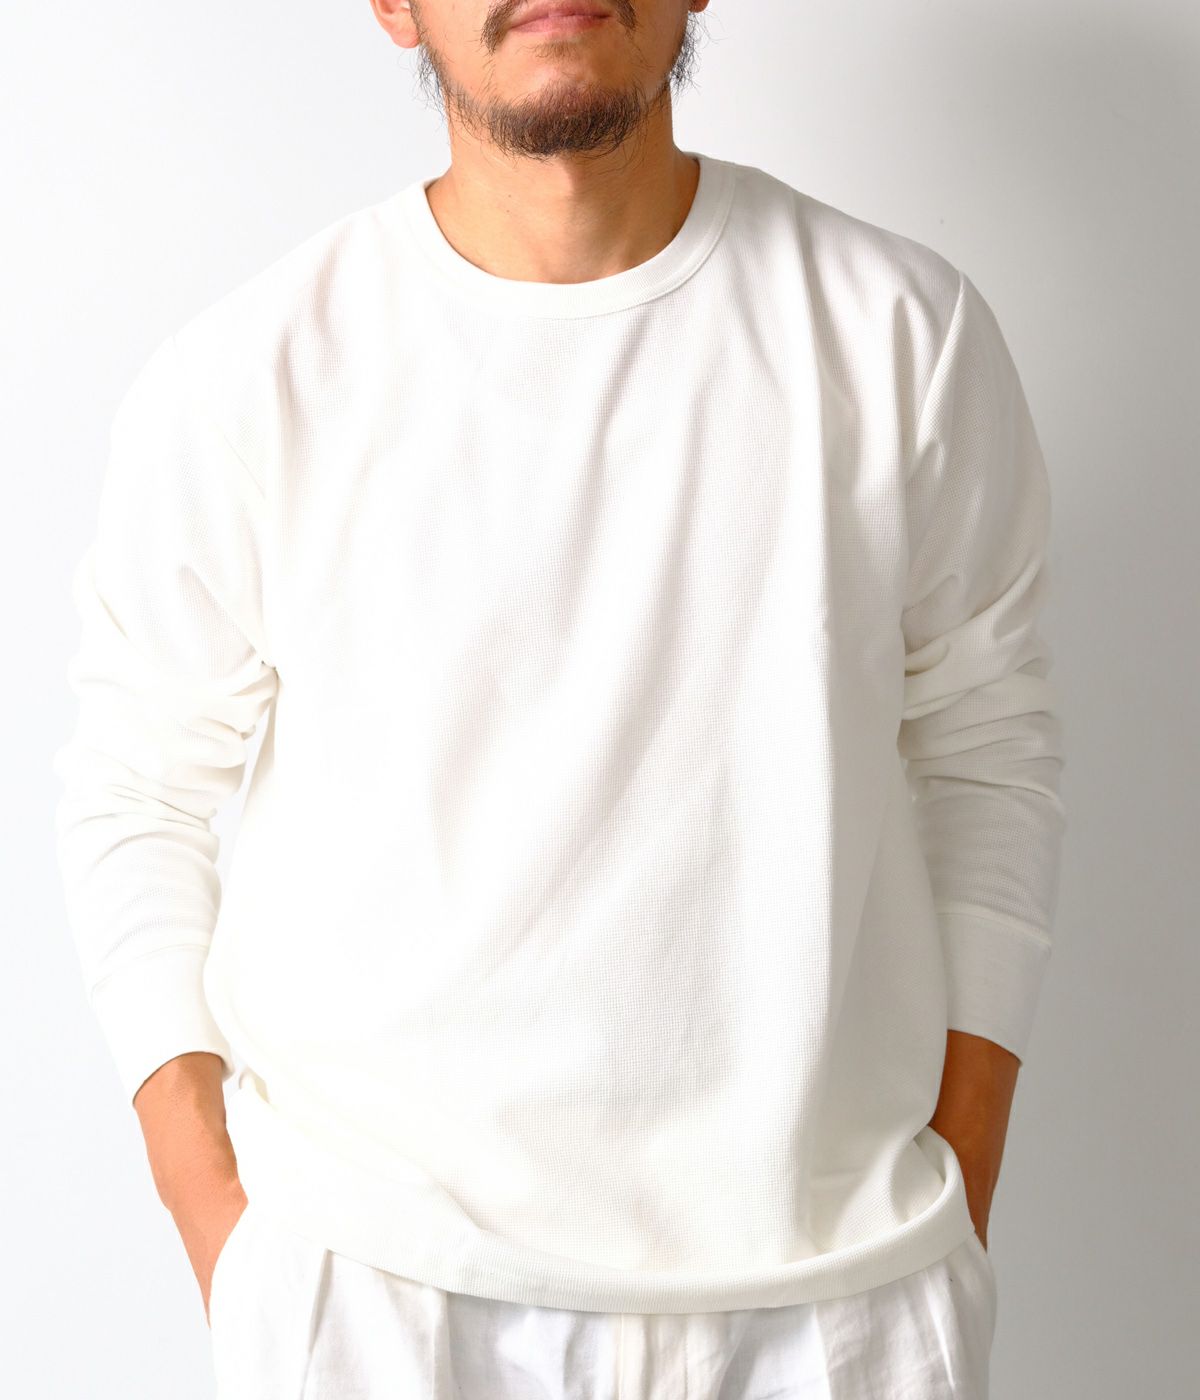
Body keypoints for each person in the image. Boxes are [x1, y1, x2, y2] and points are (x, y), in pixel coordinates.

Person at [51, 2, 1066, 1396]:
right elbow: (137, 788)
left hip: (834, 1307)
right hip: (378, 1299)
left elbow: (988, 750)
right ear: (392, 5)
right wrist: (225, 1236)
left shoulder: (900, 332)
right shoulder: (255, 374)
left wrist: (963, 1167)